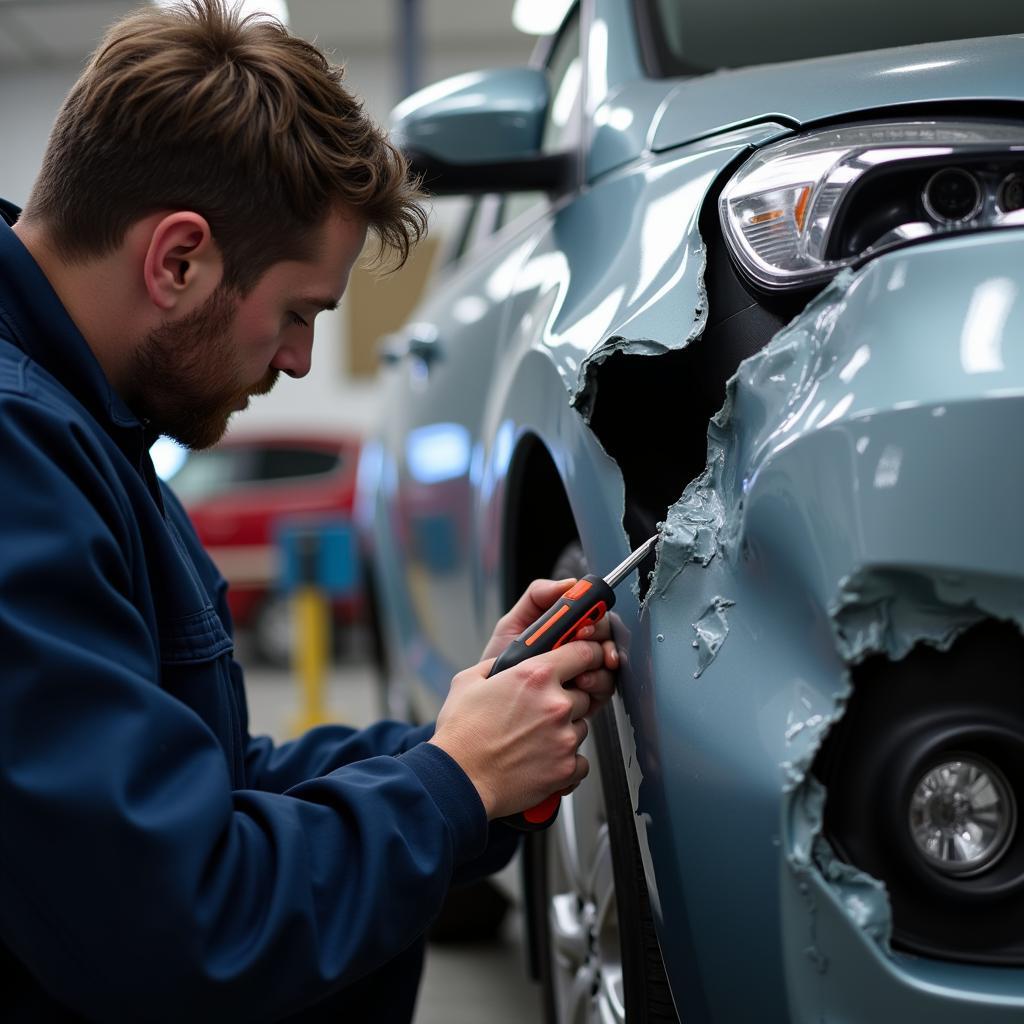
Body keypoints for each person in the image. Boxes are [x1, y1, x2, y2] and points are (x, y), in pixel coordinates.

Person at [0, 2, 620, 1021]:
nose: (296, 360)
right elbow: (181, 922)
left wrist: (464, 740)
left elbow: (205, 781)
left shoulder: (82, 430)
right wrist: (450, 783)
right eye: (297, 314)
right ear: (179, 260)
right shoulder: (18, 454)